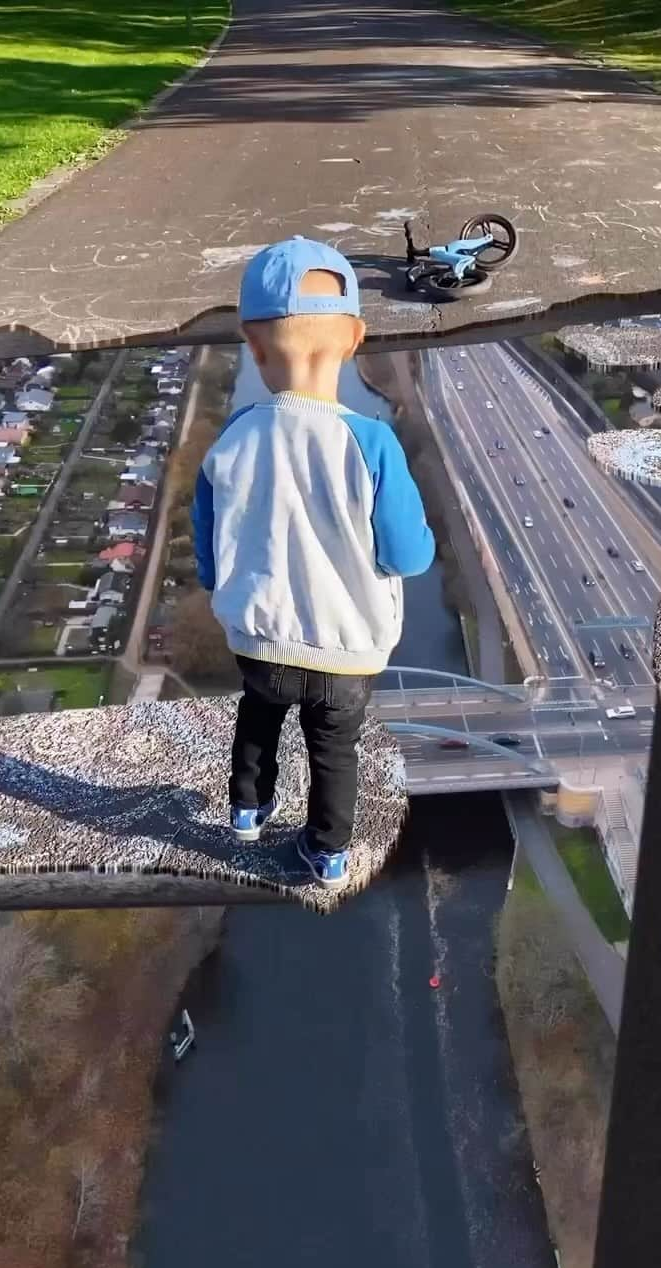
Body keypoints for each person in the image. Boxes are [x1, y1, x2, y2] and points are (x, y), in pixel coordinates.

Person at [191, 237, 435, 891]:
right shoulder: (371, 442)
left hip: (260, 638)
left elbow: (209, 551)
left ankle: (247, 807)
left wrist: (227, 589)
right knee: (334, 750)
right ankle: (327, 852)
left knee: (259, 714)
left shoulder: (233, 437)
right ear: (355, 339)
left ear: (253, 342)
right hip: (346, 649)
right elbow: (409, 556)